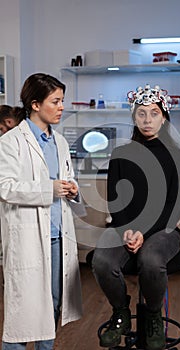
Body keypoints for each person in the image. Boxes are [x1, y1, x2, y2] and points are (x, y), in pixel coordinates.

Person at [92, 84, 180, 350]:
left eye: (154, 113)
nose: (147, 120)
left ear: (164, 117)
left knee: (151, 258)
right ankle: (120, 313)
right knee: (101, 260)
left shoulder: (176, 156)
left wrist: (143, 233)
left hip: (162, 230)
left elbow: (174, 207)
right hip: (124, 226)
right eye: (141, 113)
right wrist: (127, 230)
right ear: (134, 117)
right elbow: (115, 200)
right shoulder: (120, 153)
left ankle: (153, 316)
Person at [0, 73, 83, 350]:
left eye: (62, 101)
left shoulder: (59, 142)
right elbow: (6, 187)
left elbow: (66, 178)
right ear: (35, 104)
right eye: (55, 101)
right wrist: (49, 189)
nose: (61, 107)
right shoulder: (11, 142)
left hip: (58, 236)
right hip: (28, 237)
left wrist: (72, 188)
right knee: (24, 310)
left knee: (52, 305)